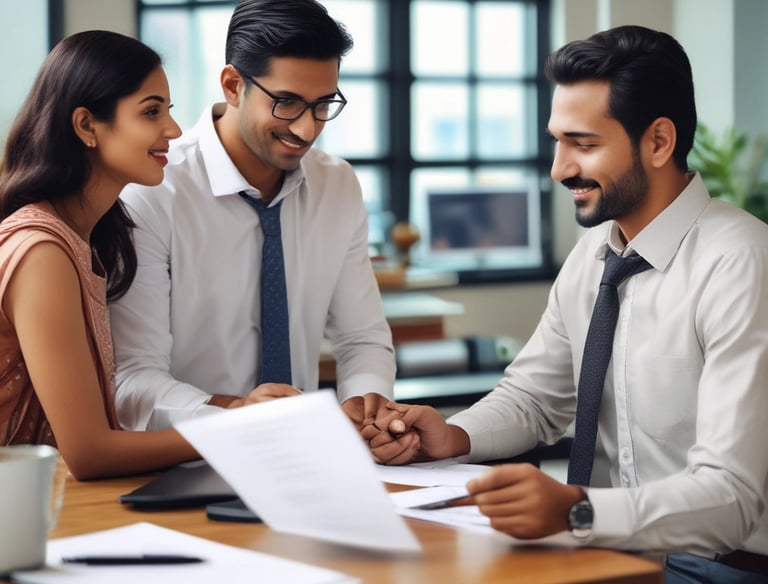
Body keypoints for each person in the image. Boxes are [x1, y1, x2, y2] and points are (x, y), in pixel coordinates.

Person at [364, 25, 768, 583]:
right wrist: (454, 436)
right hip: (612, 556)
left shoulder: (742, 263)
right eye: (558, 141)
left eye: (583, 144)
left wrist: (576, 509)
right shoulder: (592, 258)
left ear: (658, 142)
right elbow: (536, 398)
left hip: (725, 568)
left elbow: (733, 497)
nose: (558, 168)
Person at [108, 0, 395, 434]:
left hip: (307, 457)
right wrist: (236, 411)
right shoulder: (152, 192)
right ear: (232, 85)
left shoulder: (338, 185)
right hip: (184, 460)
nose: (306, 129)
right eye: (286, 103)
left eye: (322, 104)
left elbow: (362, 340)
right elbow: (132, 380)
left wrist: (367, 410)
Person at [0, 30, 198, 479]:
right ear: (87, 125)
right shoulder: (42, 251)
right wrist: (237, 431)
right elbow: (89, 453)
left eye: (169, 111)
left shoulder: (89, 238)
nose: (174, 130)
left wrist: (236, 414)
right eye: (151, 112)